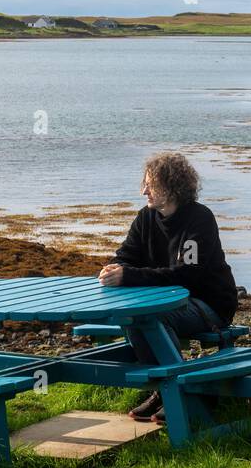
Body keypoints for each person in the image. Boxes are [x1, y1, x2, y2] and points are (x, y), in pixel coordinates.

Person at [98, 152, 238, 422]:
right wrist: (114, 268)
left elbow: (188, 275)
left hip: (209, 305)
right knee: (133, 315)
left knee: (151, 317)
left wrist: (130, 276)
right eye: (144, 183)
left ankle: (176, 391)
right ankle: (165, 389)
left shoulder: (199, 219)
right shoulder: (145, 218)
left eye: (150, 184)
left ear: (172, 187)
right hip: (169, 301)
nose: (143, 191)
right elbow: (127, 255)